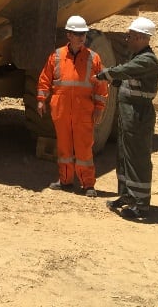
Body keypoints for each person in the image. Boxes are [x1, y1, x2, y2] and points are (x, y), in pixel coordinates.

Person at [94, 16, 158, 220]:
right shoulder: (136, 56)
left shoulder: (146, 60)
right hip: (128, 113)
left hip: (138, 115)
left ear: (140, 37)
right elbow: (130, 80)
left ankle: (140, 205)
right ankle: (126, 196)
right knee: (123, 156)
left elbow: (125, 71)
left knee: (137, 158)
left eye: (130, 36)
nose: (127, 39)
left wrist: (104, 75)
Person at [37, 15, 108, 197]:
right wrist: (41, 99)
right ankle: (66, 180)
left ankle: (88, 184)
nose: (80, 37)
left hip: (83, 111)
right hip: (61, 109)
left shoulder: (94, 58)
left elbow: (101, 86)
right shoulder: (57, 56)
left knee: (84, 148)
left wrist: (100, 107)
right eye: (76, 34)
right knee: (64, 148)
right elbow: (45, 78)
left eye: (83, 34)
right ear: (68, 35)